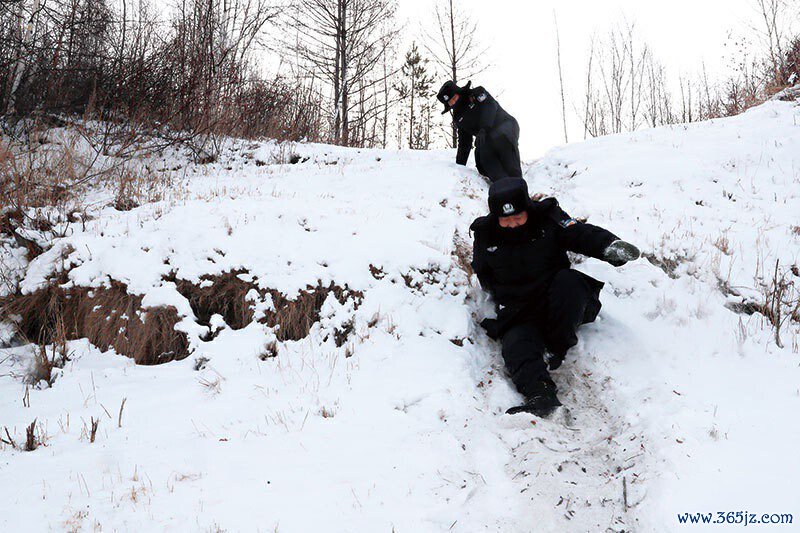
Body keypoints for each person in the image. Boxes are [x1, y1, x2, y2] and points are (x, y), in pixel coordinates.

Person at [470, 177, 640, 417]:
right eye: (506, 219)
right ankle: (541, 395)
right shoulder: (485, 234)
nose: (513, 224)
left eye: (518, 217)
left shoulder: (547, 217)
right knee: (517, 345)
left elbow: (580, 234)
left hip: (557, 298)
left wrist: (608, 246)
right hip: (520, 310)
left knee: (569, 282)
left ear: (527, 208)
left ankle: (556, 347)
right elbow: (484, 273)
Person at [436, 80, 522, 182]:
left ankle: (517, 182)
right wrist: (459, 168)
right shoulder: (458, 118)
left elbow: (490, 107)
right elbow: (464, 142)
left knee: (502, 143)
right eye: (451, 102)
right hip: (487, 137)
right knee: (482, 159)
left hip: (505, 125)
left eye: (455, 98)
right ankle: (502, 184)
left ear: (458, 92)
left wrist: (483, 128)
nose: (454, 102)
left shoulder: (476, 93)